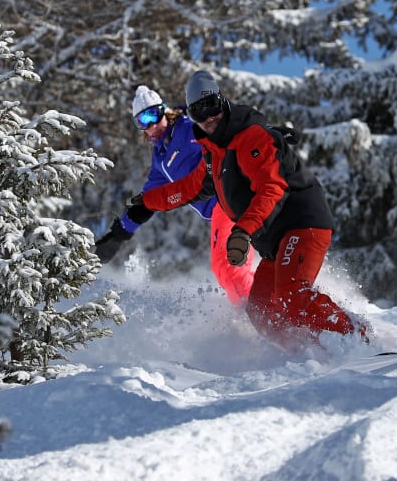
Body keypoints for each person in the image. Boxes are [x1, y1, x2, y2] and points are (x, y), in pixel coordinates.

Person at [131, 70, 367, 347]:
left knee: (292, 294)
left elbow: (271, 188)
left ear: (222, 101)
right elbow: (189, 188)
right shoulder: (214, 151)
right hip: (276, 240)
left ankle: (356, 341)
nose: (208, 117)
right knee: (261, 310)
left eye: (212, 106)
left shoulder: (250, 136)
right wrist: (147, 202)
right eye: (198, 112)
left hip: (302, 224)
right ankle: (305, 352)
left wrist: (243, 231)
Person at [95, 85, 255, 305]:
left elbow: (223, 130)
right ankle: (270, 303)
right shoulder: (161, 160)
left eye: (153, 115)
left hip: (231, 196)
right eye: (142, 121)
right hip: (224, 210)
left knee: (227, 266)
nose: (151, 125)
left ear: (164, 110)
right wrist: (117, 235)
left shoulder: (188, 127)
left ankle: (259, 313)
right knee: (231, 267)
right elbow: (148, 201)